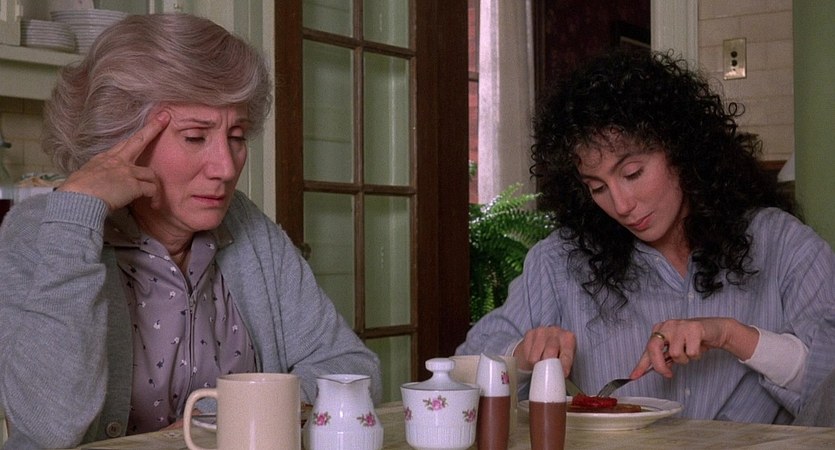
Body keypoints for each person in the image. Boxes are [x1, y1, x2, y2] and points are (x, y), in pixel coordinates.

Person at [0, 13, 381, 448]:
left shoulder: (247, 228)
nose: (226, 168)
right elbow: (48, 426)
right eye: (196, 137)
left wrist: (215, 421)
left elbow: (352, 371)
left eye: (236, 136)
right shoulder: (44, 232)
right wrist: (76, 218)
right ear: (122, 140)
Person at [457, 50, 835, 424]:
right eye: (597, 187)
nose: (621, 205)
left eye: (632, 173)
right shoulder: (560, 261)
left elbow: (829, 381)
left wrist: (732, 336)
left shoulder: (782, 244)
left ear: (680, 147)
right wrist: (523, 356)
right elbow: (464, 372)